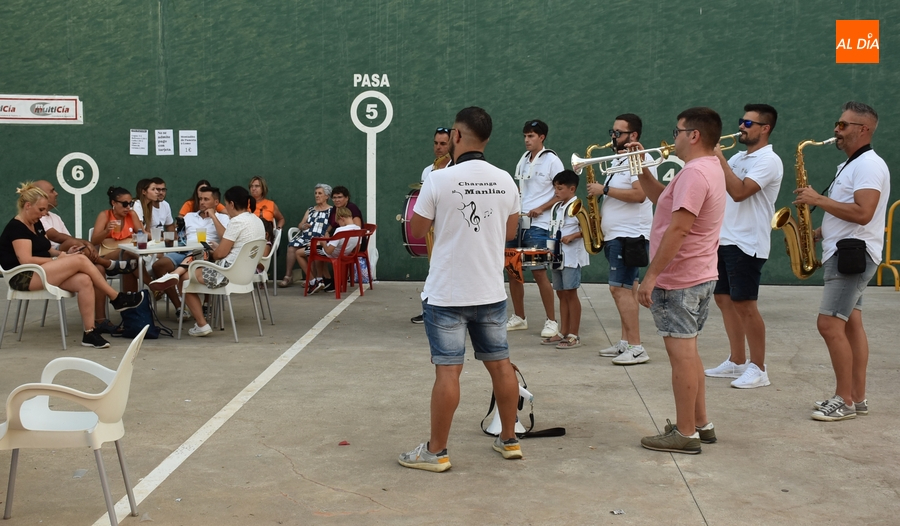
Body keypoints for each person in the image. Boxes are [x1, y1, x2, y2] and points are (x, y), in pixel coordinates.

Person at [398, 106, 523, 472]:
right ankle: (510, 440)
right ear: (486, 138)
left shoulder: (438, 179)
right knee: (501, 366)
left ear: (456, 135)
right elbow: (511, 232)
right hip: (490, 290)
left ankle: (436, 452)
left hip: (448, 293)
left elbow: (417, 231)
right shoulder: (505, 179)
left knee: (448, 372)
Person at [633, 107, 726, 454]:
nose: (674, 137)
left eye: (677, 131)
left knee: (682, 358)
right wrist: (641, 169)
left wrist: (651, 276)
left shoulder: (693, 174)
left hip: (680, 279)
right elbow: (664, 202)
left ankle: (684, 432)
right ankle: (701, 424)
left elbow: (680, 227)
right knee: (690, 352)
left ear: (694, 135)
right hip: (699, 274)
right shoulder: (707, 168)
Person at [794, 101, 890, 421]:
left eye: (844, 125)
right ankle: (857, 398)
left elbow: (864, 212)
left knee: (829, 324)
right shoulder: (852, 164)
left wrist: (818, 199)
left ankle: (844, 400)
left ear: (863, 130)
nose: (837, 129)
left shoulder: (868, 166)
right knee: (851, 325)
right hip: (848, 248)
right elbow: (852, 212)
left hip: (852, 255)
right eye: (838, 123)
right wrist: (820, 231)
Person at [0, 183, 141, 348]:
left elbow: (47, 249)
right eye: (41, 210)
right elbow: (26, 260)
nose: (44, 214)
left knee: (84, 280)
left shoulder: (36, 223)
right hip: (22, 276)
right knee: (80, 260)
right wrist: (59, 260)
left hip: (41, 272)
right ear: (27, 206)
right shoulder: (17, 227)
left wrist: (62, 254)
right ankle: (116, 298)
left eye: (46, 210)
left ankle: (90, 333)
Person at [705, 104, 784, 389]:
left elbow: (739, 193)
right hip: (724, 238)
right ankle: (737, 361)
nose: (741, 127)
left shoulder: (769, 160)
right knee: (724, 300)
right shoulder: (738, 156)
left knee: (745, 304)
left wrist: (719, 159)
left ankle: (759, 368)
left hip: (747, 242)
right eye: (741, 121)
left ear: (765, 128)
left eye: (748, 124)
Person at [587, 114, 654, 365]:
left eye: (618, 132)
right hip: (618, 234)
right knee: (627, 288)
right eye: (612, 131)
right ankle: (626, 342)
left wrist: (603, 190)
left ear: (633, 136)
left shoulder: (639, 159)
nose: (612, 137)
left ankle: (637, 347)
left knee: (620, 289)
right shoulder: (620, 159)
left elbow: (639, 195)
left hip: (629, 235)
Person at [36, 180, 136, 333]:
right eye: (52, 190)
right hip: (54, 259)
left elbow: (70, 240)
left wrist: (84, 245)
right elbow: (56, 237)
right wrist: (86, 243)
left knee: (98, 268)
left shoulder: (55, 217)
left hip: (69, 257)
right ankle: (112, 276)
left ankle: (101, 320)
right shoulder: (37, 217)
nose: (56, 193)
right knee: (79, 246)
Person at [506, 119, 563, 338]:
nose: (527, 140)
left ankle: (552, 321)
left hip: (538, 226)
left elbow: (560, 192)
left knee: (539, 272)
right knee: (512, 271)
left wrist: (541, 208)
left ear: (542, 137)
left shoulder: (552, 160)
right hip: (518, 223)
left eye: (531, 136)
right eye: (525, 136)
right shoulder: (522, 160)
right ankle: (519, 317)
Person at [183, 186, 265, 337]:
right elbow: (240, 245)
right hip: (246, 273)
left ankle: (201, 324)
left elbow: (220, 255)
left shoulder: (236, 222)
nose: (225, 207)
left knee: (184, 278)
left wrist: (214, 251)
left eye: (226, 204)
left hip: (227, 273)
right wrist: (219, 248)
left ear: (232, 204)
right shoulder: (256, 220)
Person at [150, 186, 230, 317]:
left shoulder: (223, 218)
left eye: (206, 199)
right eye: (200, 199)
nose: (202, 202)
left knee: (199, 254)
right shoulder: (189, 216)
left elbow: (225, 238)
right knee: (159, 265)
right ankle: (179, 307)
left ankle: (206, 303)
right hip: (183, 251)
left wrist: (214, 217)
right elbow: (179, 236)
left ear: (216, 202)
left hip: (206, 254)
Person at [543, 170, 589, 349]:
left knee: (571, 293)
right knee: (561, 293)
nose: (556, 191)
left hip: (571, 257)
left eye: (560, 188)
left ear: (572, 189)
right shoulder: (557, 207)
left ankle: (574, 334)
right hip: (557, 256)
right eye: (555, 188)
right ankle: (563, 331)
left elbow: (591, 229)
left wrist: (575, 235)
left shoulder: (577, 206)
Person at [411, 127, 452, 324]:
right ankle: (429, 309)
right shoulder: (428, 171)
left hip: (451, 228)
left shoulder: (457, 168)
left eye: (443, 144)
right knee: (433, 269)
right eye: (436, 143)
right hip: (432, 228)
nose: (438, 147)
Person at [279, 184, 333, 288]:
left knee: (310, 248)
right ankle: (288, 275)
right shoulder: (311, 210)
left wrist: (325, 234)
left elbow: (331, 227)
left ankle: (311, 278)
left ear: (327, 196)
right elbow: (300, 225)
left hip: (318, 238)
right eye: (316, 193)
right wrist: (303, 226)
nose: (317, 196)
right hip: (306, 236)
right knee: (291, 247)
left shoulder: (331, 210)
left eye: (320, 193)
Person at [303, 207, 362, 294]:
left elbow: (329, 251)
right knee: (316, 249)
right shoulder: (358, 229)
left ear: (342, 219)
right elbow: (357, 248)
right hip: (346, 254)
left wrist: (324, 241)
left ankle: (313, 282)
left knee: (299, 253)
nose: (339, 225)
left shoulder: (340, 230)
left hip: (333, 254)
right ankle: (322, 279)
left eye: (338, 223)